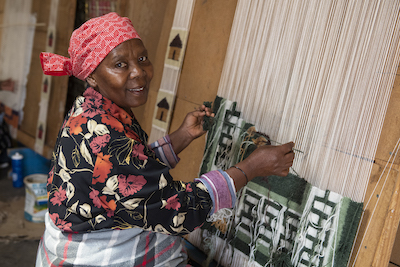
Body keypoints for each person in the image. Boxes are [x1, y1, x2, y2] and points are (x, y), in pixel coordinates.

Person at [35, 12, 295, 267]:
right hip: (95, 257)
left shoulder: (93, 109)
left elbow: (129, 176)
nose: (140, 72)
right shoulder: (103, 136)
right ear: (91, 75)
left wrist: (181, 137)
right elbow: (177, 210)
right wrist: (249, 169)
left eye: (142, 58)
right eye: (120, 65)